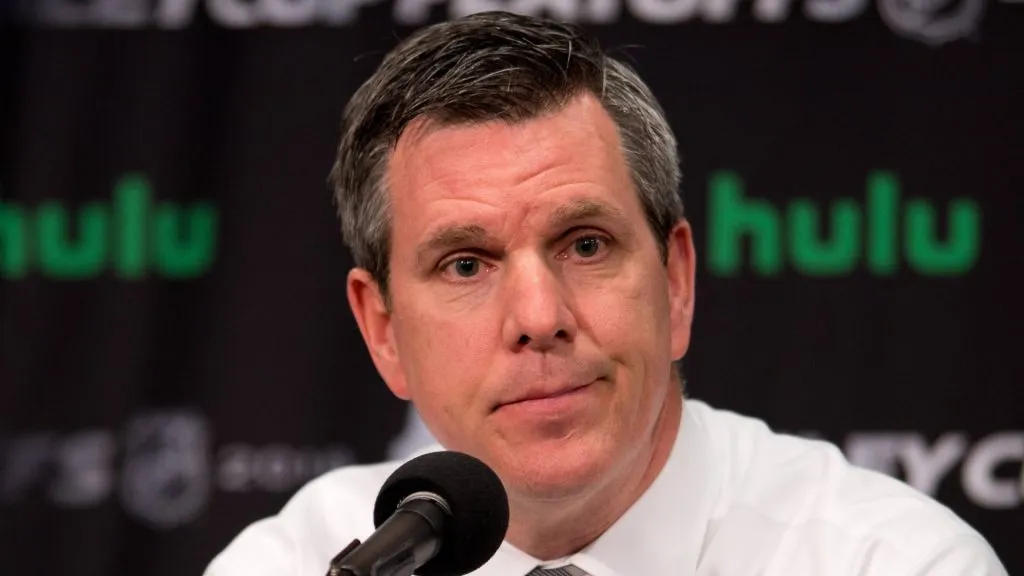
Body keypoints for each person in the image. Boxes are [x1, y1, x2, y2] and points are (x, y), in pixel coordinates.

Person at [205, 11, 1007, 576]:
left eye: (585, 245)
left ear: (677, 280)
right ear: (382, 330)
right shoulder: (298, 564)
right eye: (466, 265)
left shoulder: (890, 563)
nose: (540, 319)